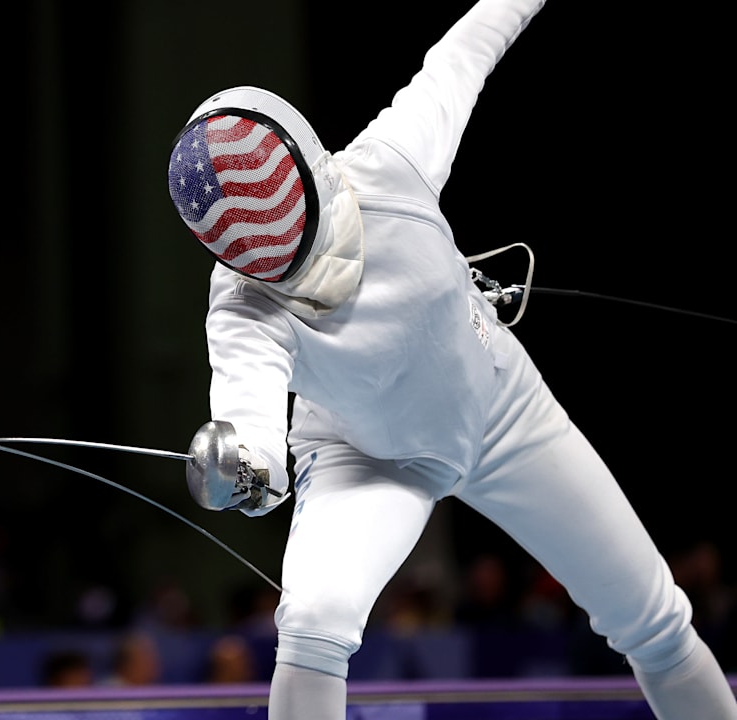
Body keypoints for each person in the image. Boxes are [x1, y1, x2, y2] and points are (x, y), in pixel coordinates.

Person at [165, 1, 737, 718]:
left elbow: (465, 51)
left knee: (654, 620)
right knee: (313, 624)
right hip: (369, 455)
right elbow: (249, 410)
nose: (280, 252)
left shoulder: (390, 163)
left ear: (309, 167)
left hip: (504, 412)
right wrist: (249, 471)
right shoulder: (243, 306)